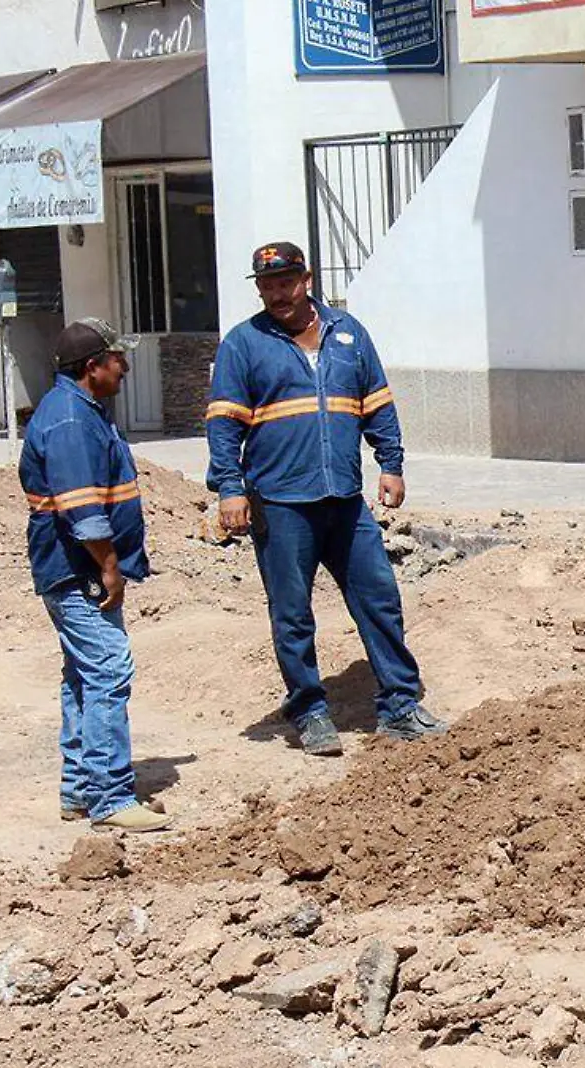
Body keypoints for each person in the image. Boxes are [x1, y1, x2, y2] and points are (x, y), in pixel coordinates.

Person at [206, 241, 446, 756]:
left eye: (285, 282)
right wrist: (229, 489)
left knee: (378, 597)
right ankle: (310, 711)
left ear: (306, 279)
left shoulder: (348, 333)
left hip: (344, 496)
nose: (277, 294)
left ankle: (400, 705)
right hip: (280, 500)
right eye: (267, 286)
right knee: (292, 612)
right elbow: (223, 425)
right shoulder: (243, 344)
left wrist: (392, 463)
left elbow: (377, 402)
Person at [20, 319, 170, 831]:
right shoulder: (71, 421)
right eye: (116, 359)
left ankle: (81, 789)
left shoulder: (81, 411)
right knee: (108, 669)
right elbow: (82, 509)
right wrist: (109, 566)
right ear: (92, 367)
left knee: (83, 675)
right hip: (77, 567)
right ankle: (109, 796)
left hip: (74, 565)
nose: (124, 367)